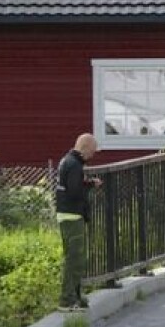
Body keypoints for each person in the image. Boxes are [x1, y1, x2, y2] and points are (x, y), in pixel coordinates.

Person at [55, 133, 102, 311]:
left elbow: (70, 186)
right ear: (85, 148)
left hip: (65, 215)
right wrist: (90, 185)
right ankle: (66, 300)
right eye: (92, 151)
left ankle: (75, 296)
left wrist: (88, 183)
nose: (93, 155)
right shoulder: (75, 165)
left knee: (74, 257)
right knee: (75, 259)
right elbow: (75, 192)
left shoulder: (66, 161)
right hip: (72, 216)